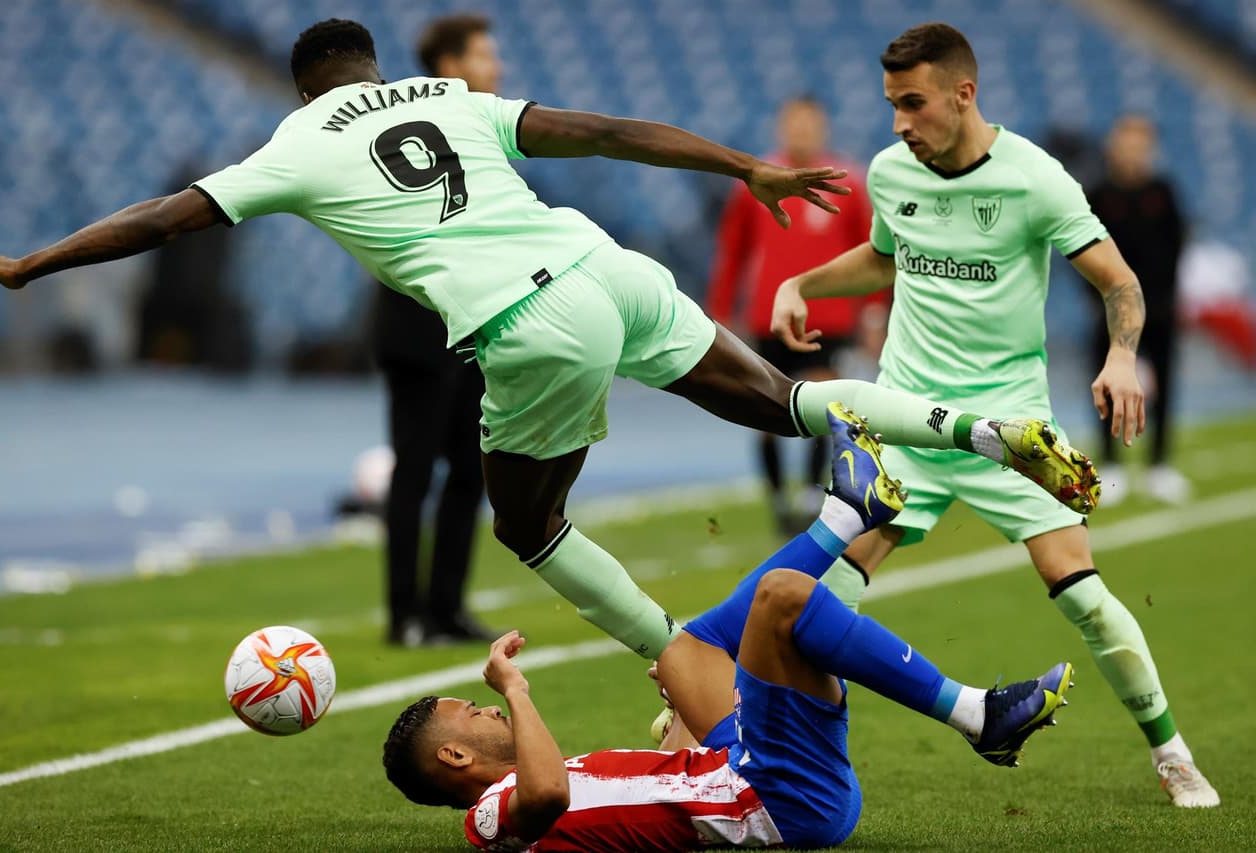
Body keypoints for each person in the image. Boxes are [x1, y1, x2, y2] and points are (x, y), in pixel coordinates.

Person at [0, 19, 1097, 677]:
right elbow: (604, 131)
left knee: (527, 520)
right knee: (781, 398)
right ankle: (971, 426)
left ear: (310, 88)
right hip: (600, 263)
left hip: (526, 321)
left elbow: (165, 216)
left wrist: (33, 264)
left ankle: (674, 656)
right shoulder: (449, 97)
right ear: (374, 68)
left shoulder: (293, 142)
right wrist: (740, 168)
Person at [770, 23, 1217, 807]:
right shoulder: (890, 170)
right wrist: (803, 284)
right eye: (892, 107)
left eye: (914, 104)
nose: (900, 123)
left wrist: (1119, 357)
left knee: (1080, 593)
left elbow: (1121, 283)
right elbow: (885, 255)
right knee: (820, 599)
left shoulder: (1036, 180)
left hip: (1012, 434)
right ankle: (782, 756)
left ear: (963, 94)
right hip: (906, 418)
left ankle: (1172, 752)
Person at [381, 407, 1074, 851]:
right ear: (455, 759)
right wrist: (517, 688)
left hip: (741, 770)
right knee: (781, 597)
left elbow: (667, 792)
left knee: (686, 649)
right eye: (470, 711)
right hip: (780, 799)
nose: (486, 707)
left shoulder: (542, 783)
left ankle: (847, 510)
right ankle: (975, 712)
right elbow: (548, 797)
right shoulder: (495, 816)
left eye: (481, 700)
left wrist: (680, 708)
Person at [374, 14, 504, 646]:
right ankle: (404, 616)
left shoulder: (480, 124)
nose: (496, 68)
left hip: (469, 326)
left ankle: (446, 607)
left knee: (468, 471)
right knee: (415, 471)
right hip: (418, 325)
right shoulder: (413, 130)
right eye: (484, 56)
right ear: (450, 66)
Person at [706, 96, 880, 534]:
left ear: (823, 128)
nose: (801, 132)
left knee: (822, 406)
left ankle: (807, 491)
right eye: (793, 124)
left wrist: (874, 311)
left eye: (809, 124)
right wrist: (721, 313)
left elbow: (872, 252)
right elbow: (733, 253)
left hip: (829, 317)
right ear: (780, 128)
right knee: (765, 411)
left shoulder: (847, 183)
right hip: (768, 318)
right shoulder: (755, 183)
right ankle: (777, 495)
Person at [1086, 116, 1188, 507]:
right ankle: (1110, 465)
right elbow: (1083, 250)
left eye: (1140, 143)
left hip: (1159, 310)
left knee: (1164, 385)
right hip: (1108, 312)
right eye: (1126, 141)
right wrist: (1100, 301)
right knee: (1104, 388)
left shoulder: (1163, 192)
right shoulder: (1099, 193)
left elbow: (1176, 248)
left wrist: (1159, 300)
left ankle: (1159, 464)